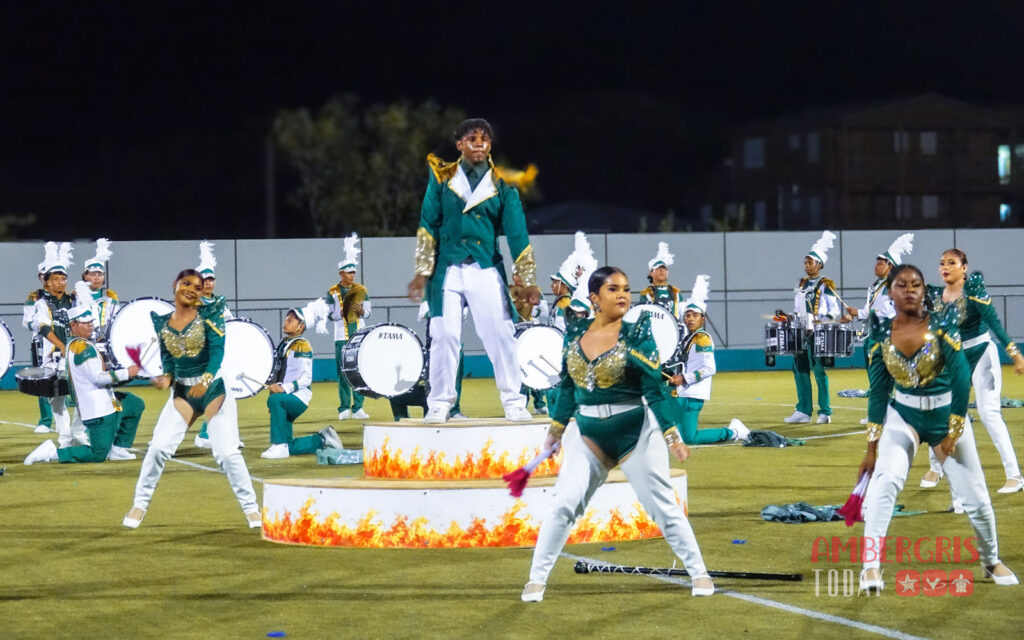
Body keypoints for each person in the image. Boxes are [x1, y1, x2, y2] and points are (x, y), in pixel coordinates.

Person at [521, 266, 713, 602]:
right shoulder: (575, 331)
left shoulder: (638, 332)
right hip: (588, 434)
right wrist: (556, 428)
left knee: (663, 507)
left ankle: (698, 572)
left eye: (626, 288)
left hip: (635, 432)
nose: (623, 294)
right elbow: (568, 386)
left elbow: (654, 388)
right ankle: (536, 580)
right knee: (563, 504)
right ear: (595, 298)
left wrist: (671, 434)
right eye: (613, 289)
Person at [856, 263, 1017, 591]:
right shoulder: (878, 335)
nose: (910, 289)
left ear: (923, 290)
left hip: (946, 417)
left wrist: (955, 431)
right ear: (890, 292)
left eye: (915, 283)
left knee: (977, 498)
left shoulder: (943, 325)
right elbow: (877, 392)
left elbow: (960, 378)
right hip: (904, 417)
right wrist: (871, 449)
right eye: (901, 285)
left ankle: (991, 560)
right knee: (884, 484)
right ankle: (870, 567)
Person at [407, 117, 536, 424]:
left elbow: (517, 233)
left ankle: (513, 401)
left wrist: (528, 279)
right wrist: (422, 271)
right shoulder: (441, 177)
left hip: (484, 266)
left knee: (501, 334)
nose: (479, 143)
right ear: (459, 144)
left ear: (490, 145)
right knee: (444, 335)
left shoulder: (502, 182)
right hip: (447, 270)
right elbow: (428, 223)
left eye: (485, 139)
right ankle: (439, 403)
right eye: (472, 138)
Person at [123, 269, 260, 529]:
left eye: (197, 286)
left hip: (212, 389)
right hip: (184, 392)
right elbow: (168, 361)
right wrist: (167, 378)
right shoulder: (162, 322)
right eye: (186, 283)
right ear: (174, 285)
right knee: (158, 448)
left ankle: (252, 510)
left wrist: (205, 381)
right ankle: (140, 504)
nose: (192, 289)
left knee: (227, 453)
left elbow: (218, 353)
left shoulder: (211, 314)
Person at [918, 249, 1024, 495]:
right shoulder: (935, 295)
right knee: (943, 413)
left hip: (981, 353)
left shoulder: (973, 291)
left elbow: (995, 322)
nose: (945, 267)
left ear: (964, 268)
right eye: (942, 263)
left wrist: (1016, 355)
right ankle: (937, 467)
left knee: (989, 413)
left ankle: (1015, 475)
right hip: (954, 358)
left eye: (952, 263)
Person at [24, 302, 144, 465]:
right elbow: (98, 378)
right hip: (98, 410)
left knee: (134, 403)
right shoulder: (81, 348)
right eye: (85, 323)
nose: (90, 326)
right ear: (73, 325)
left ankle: (118, 449)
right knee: (97, 454)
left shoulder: (80, 344)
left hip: (107, 402)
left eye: (91, 322)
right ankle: (52, 452)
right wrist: (127, 373)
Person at [667, 275, 750, 444]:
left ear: (702, 319)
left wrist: (683, 378)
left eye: (695, 315)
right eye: (687, 315)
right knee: (672, 432)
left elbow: (709, 369)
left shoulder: (702, 339)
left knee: (690, 438)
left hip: (692, 395)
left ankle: (733, 432)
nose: (690, 319)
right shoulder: (688, 338)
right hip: (682, 393)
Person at [845, 234, 913, 425]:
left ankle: (882, 413)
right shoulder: (876, 286)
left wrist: (862, 313)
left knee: (882, 379)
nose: (877, 265)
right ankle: (882, 411)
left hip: (887, 337)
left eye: (881, 263)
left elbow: (887, 311)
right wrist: (856, 313)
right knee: (877, 379)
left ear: (890, 266)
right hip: (874, 336)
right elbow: (871, 311)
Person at [260, 301, 342, 459]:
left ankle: (278, 445)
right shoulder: (285, 344)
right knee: (287, 443)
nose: (285, 322)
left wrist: (283, 389)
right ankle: (322, 439)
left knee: (276, 401)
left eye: (291, 320)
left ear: (301, 326)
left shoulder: (301, 346)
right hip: (287, 396)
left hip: (298, 397)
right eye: (286, 319)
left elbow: (306, 379)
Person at [30, 241, 90, 447]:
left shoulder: (73, 300)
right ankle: (65, 438)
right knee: (56, 400)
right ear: (46, 282)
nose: (61, 283)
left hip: (76, 354)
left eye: (63, 279)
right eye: (56, 279)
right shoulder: (41, 303)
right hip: (54, 357)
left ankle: (78, 433)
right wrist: (62, 346)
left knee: (84, 396)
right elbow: (45, 328)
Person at [783, 231, 840, 425]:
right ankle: (803, 411)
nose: (807, 266)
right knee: (799, 369)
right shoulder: (801, 284)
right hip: (800, 331)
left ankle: (825, 412)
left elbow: (835, 311)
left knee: (819, 371)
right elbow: (798, 308)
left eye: (811, 262)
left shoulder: (826, 284)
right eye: (805, 262)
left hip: (818, 333)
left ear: (820, 265)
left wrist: (821, 321)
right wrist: (790, 317)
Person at [193, 240, 235, 449]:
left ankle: (214, 434)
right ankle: (205, 434)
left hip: (217, 355)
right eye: (205, 279)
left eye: (211, 279)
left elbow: (231, 324)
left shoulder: (220, 302)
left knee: (224, 394)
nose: (209, 283)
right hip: (200, 358)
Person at [327, 233, 371, 421]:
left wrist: (361, 311)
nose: (352, 275)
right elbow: (330, 314)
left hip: (358, 334)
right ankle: (344, 407)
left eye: (353, 272)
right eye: (348, 272)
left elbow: (368, 312)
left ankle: (358, 407)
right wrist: (342, 311)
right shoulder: (333, 291)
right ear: (341, 274)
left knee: (358, 370)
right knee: (343, 372)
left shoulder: (361, 290)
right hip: (340, 336)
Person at [24, 251, 55, 433]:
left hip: (60, 342)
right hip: (40, 343)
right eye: (44, 276)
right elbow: (26, 322)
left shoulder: (66, 297)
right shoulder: (34, 297)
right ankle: (45, 420)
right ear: (40, 277)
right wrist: (41, 325)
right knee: (41, 383)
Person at [80, 237, 120, 333]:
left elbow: (116, 321)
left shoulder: (110, 297)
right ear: (85, 277)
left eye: (100, 274)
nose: (96, 278)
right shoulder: (76, 296)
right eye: (93, 274)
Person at [638, 242, 686, 319]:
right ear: (651, 273)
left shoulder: (676, 292)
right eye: (658, 268)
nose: (661, 271)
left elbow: (683, 313)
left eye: (664, 268)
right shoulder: (646, 293)